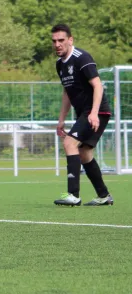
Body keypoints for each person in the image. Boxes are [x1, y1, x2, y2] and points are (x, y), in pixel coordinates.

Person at [51, 24, 113, 206]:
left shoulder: (82, 58)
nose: (57, 44)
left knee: (70, 143)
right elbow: (67, 92)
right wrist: (61, 119)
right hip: (85, 113)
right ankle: (104, 196)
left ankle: (73, 195)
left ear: (70, 40)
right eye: (54, 41)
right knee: (85, 153)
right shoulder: (60, 64)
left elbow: (98, 86)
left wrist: (93, 113)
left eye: (61, 40)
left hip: (97, 110)